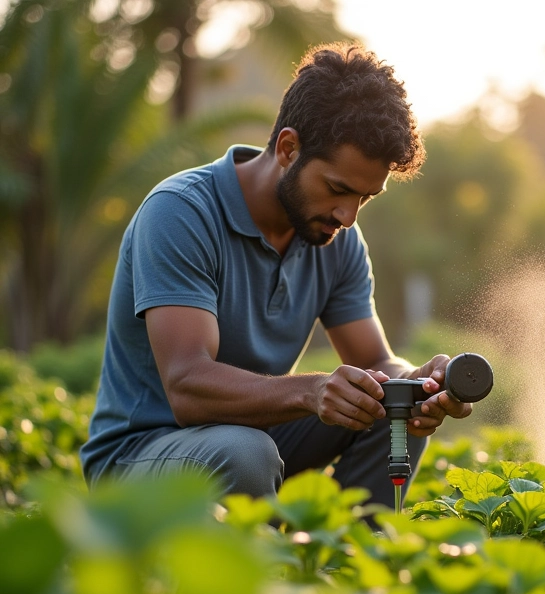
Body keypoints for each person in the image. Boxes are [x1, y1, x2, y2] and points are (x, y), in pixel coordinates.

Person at [80, 42, 473, 507]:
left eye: (365, 198)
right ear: (288, 148)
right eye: (337, 189)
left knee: (390, 412)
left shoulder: (336, 238)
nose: (348, 216)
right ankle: (262, 577)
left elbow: (376, 363)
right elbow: (187, 388)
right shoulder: (181, 212)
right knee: (246, 454)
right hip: (139, 456)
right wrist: (311, 390)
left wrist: (419, 386)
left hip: (250, 440)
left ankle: (354, 566)